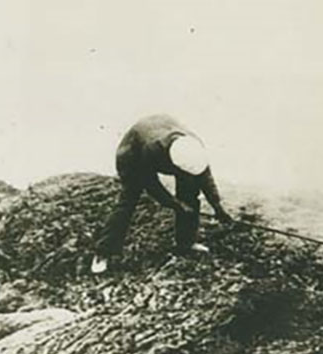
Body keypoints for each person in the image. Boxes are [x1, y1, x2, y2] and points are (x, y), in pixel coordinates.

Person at [91, 114, 233, 273]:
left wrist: (218, 207)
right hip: (133, 152)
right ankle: (103, 252)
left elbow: (205, 178)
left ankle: (186, 243)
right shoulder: (151, 150)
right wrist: (176, 205)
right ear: (173, 163)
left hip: (162, 128)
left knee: (190, 191)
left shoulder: (194, 148)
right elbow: (151, 185)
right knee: (128, 201)